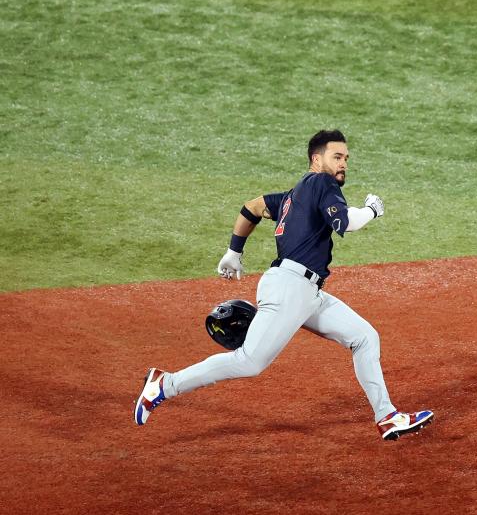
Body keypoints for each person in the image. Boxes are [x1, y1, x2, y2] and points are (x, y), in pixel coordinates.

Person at [134, 129, 434, 441]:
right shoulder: (321, 182)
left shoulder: (295, 195)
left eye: (346, 158)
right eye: (337, 157)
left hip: (306, 292)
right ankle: (164, 384)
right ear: (316, 160)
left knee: (364, 338)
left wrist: (234, 251)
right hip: (291, 288)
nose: (344, 163)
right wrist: (372, 209)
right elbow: (346, 222)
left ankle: (386, 417)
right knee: (249, 361)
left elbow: (253, 206)